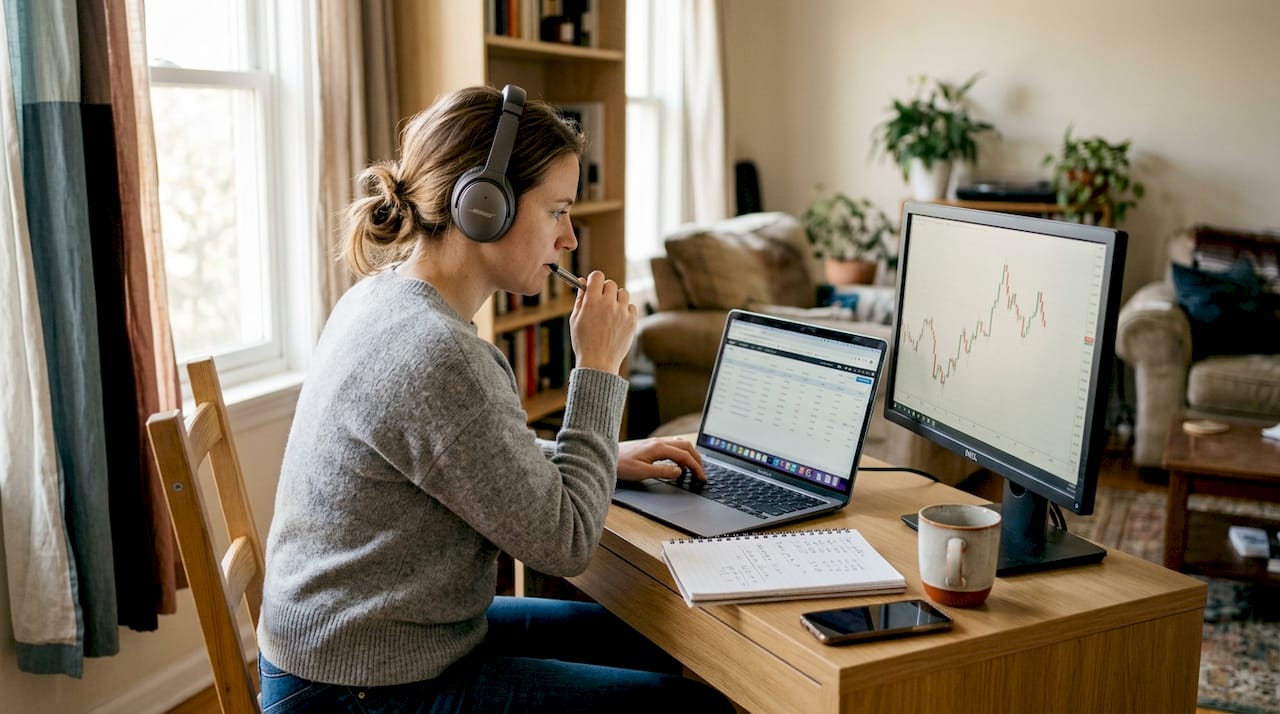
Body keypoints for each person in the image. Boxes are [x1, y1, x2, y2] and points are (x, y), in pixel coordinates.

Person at [256, 85, 735, 713]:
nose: (569, 240)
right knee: (690, 707)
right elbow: (564, 544)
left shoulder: (378, 297)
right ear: (485, 208)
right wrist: (596, 368)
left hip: (362, 645)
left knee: (657, 634)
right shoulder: (442, 353)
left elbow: (453, 451)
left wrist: (600, 456)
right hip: (354, 687)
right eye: (557, 211)